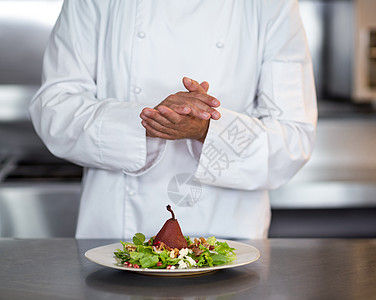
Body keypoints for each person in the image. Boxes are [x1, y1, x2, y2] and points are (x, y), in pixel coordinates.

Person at [29, 0, 317, 239]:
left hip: (230, 240)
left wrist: (207, 128)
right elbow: (55, 110)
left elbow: (293, 138)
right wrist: (147, 122)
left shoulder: (270, 5)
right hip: (115, 238)